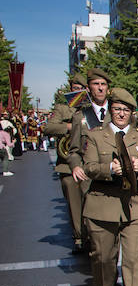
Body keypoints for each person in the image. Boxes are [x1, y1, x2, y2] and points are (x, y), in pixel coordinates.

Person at [81, 88, 138, 286]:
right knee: (103, 257)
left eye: (126, 110)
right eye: (117, 109)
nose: (121, 114)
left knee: (134, 260)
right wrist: (108, 169)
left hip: (136, 204)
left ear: (132, 112)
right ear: (110, 111)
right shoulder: (96, 135)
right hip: (103, 204)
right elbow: (89, 167)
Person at [44, 73, 89, 252]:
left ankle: (90, 234)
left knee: (90, 201)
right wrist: (71, 127)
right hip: (67, 164)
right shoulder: (62, 109)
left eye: (81, 89)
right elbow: (49, 127)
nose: (77, 92)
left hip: (87, 161)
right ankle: (79, 237)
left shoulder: (90, 109)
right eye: (75, 89)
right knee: (74, 203)